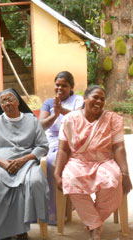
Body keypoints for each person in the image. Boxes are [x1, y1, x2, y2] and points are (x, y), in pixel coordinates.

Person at [54, 85, 132, 240]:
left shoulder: (112, 119)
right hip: (78, 160)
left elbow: (119, 148)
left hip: (104, 161)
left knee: (114, 180)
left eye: (102, 99)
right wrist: (57, 173)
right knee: (71, 179)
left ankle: (92, 222)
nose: (99, 101)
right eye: (95, 97)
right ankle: (95, 227)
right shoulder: (70, 119)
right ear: (85, 98)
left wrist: (125, 172)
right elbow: (63, 150)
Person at [0, 88, 49, 240]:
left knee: (34, 182)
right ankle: (2, 228)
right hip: (1, 163)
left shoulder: (32, 120)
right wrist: (2, 163)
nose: (7, 103)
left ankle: (20, 229)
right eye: (3, 101)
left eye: (10, 99)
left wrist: (23, 160)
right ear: (0, 105)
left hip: (26, 162)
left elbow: (42, 146)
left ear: (18, 101)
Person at [39, 71, 83, 225]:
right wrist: (55, 114)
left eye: (64, 85)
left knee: (58, 163)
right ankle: (52, 212)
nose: (60, 88)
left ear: (71, 87)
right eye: (57, 84)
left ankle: (64, 209)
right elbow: (42, 125)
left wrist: (62, 111)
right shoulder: (49, 103)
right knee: (46, 163)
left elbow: (80, 120)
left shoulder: (78, 100)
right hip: (55, 141)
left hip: (73, 140)